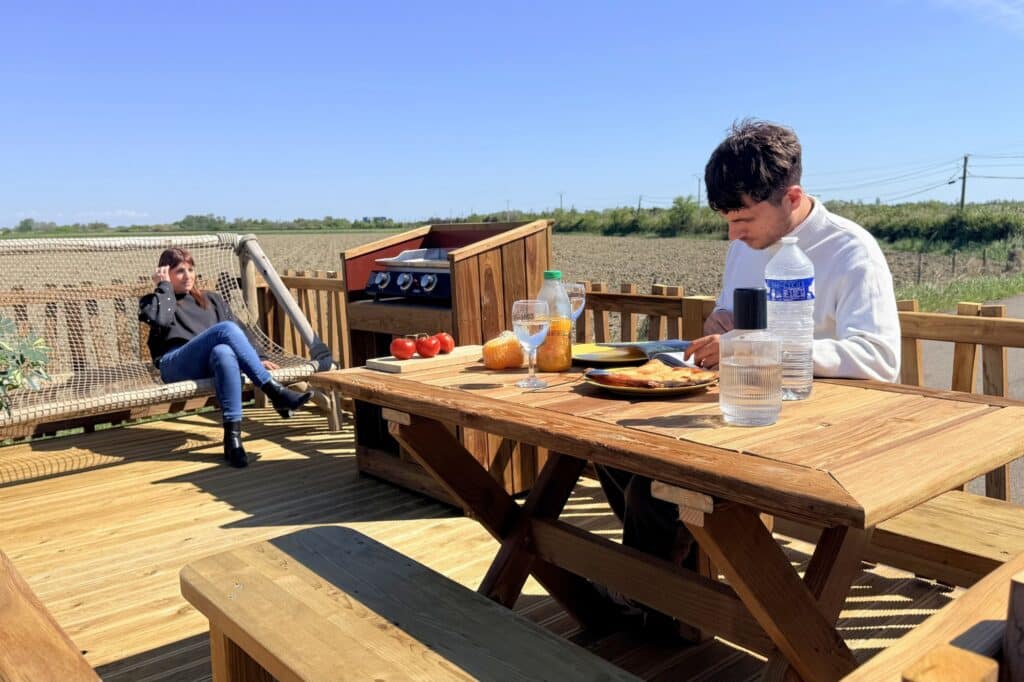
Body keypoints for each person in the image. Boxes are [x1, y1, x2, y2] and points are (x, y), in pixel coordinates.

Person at [596, 119, 901, 629]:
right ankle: (664, 597)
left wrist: (749, 344)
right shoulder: (749, 243)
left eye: (743, 219)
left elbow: (878, 360)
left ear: (793, 196)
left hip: (823, 435)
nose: (733, 234)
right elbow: (731, 317)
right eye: (726, 220)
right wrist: (722, 325)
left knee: (654, 482)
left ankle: (657, 603)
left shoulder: (850, 251)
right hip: (742, 414)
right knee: (612, 451)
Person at [138, 247, 312, 468]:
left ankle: (233, 442)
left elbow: (241, 330)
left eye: (191, 269)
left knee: (224, 351)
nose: (188, 276)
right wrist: (163, 287)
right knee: (224, 330)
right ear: (165, 272)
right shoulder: (154, 301)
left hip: (208, 364)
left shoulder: (210, 299)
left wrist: (257, 356)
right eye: (180, 271)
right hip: (174, 365)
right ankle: (274, 392)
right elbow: (161, 321)